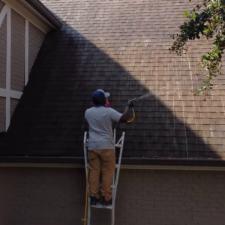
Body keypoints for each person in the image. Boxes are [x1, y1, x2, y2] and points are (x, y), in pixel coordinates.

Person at [84, 89, 134, 205]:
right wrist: (128, 106)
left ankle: (93, 196)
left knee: (94, 171)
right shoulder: (108, 112)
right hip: (106, 146)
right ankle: (106, 197)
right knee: (107, 171)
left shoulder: (87, 112)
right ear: (104, 100)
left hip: (92, 147)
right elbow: (124, 118)